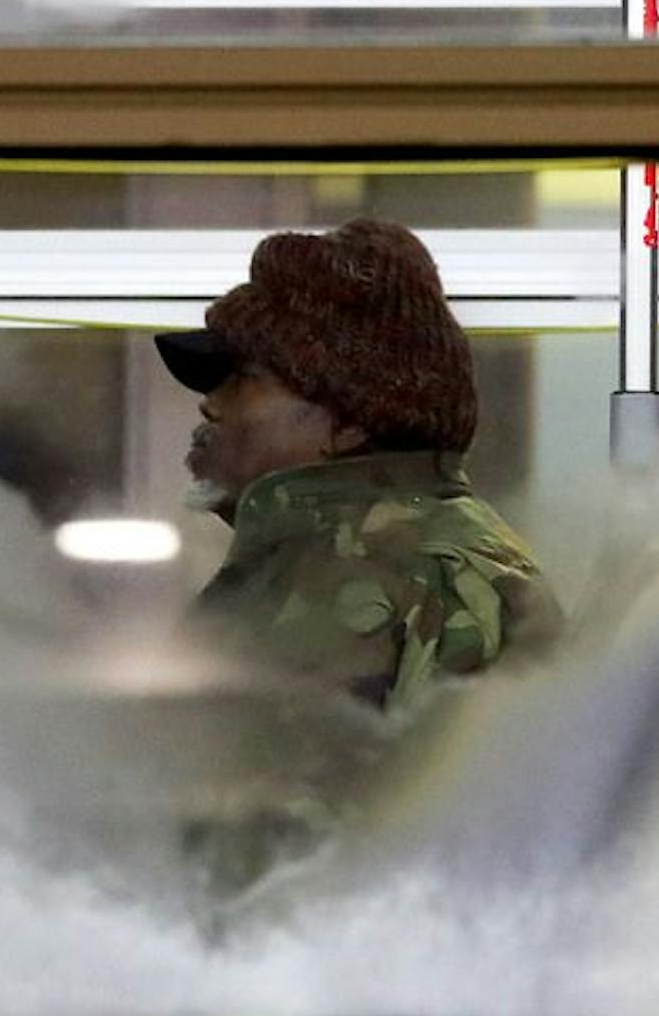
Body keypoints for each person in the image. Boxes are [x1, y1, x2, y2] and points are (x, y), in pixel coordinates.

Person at [153, 217, 556, 907]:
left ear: (348, 414)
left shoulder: (436, 573)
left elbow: (467, 861)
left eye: (244, 377)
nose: (210, 403)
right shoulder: (313, 559)